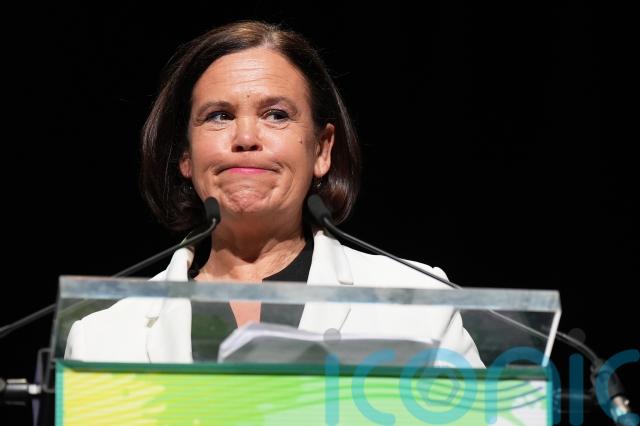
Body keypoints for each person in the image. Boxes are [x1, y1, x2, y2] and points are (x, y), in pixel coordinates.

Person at [64, 20, 483, 367]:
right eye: (219, 116)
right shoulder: (102, 337)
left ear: (321, 150)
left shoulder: (417, 302)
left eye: (276, 115)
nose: (246, 137)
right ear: (186, 156)